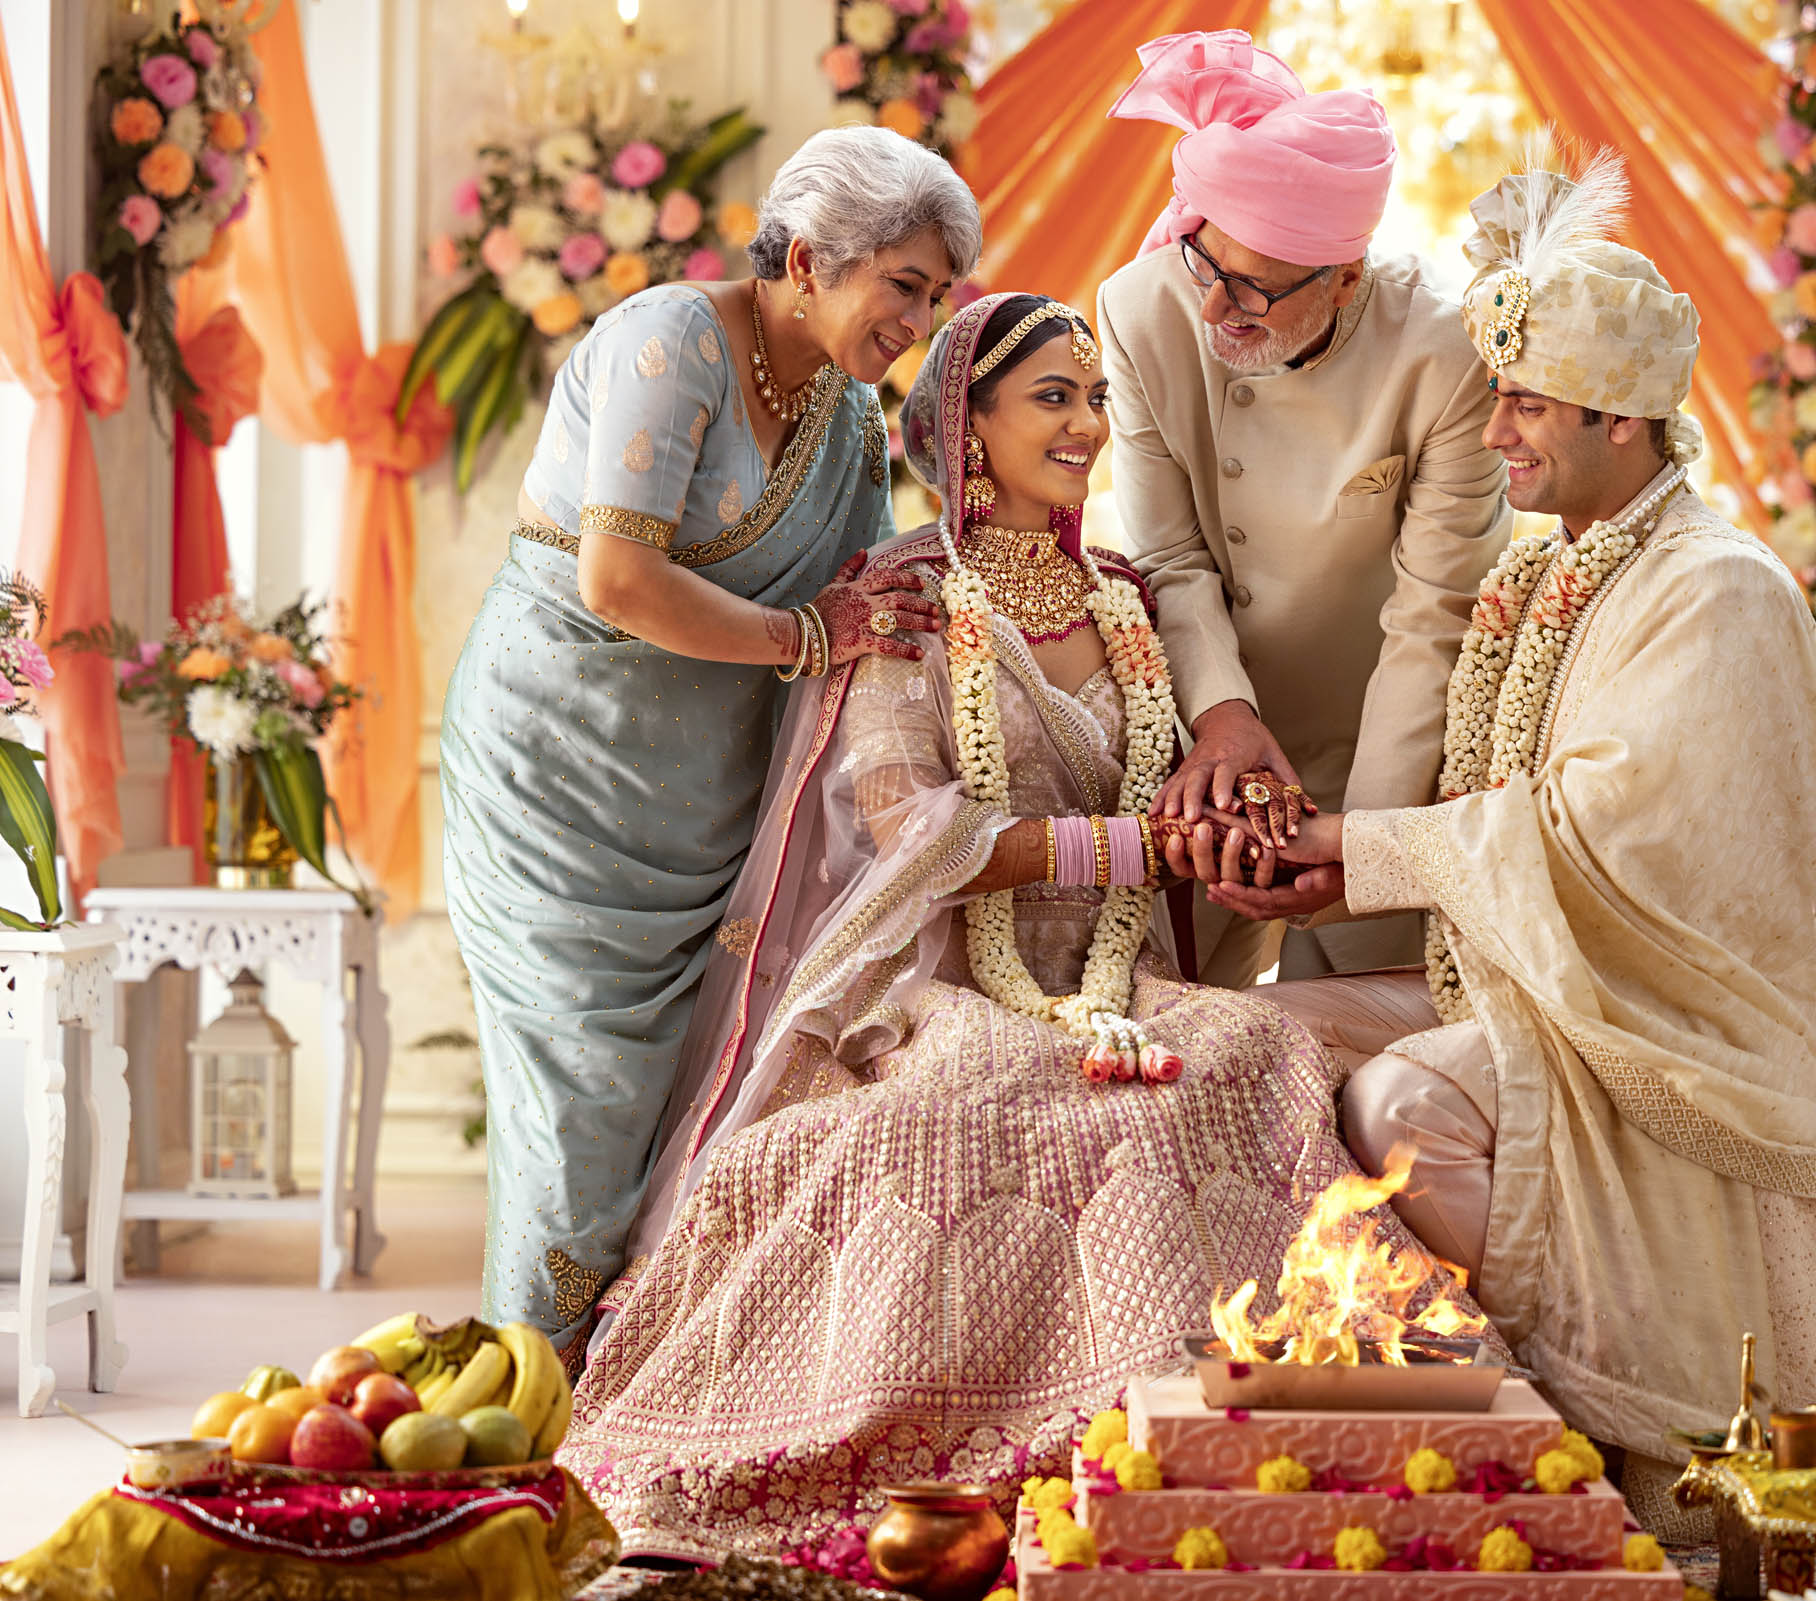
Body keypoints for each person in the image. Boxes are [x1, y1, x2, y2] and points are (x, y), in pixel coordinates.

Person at [558, 294, 1466, 1563]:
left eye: (1097, 398)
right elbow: (905, 826)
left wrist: (1226, 824)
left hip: (1121, 976)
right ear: (965, 426)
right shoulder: (907, 602)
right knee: (981, 1089)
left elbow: (1175, 792)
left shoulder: (1127, 602)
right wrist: (1132, 847)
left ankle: (1261, 1429)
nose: (1090, 423)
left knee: (1250, 1056)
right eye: (1053, 396)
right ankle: (1030, 1447)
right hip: (945, 986)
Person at [1230, 151, 1816, 1531]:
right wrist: (1306, 838)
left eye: (1526, 406)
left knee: (1402, 1106)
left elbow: (1604, 837)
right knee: (1252, 1045)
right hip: (1531, 978)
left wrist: (1369, 851)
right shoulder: (1550, 566)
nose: (1497, 438)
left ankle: (1576, 1439)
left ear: (1619, 418)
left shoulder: (1716, 587)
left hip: (1659, 1021)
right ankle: (1364, 1423)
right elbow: (1496, 798)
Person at [439, 126, 975, 1349]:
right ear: (804, 255)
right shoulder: (668, 339)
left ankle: (639, 1410)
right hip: (562, 779)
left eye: (935, 296)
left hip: (707, 808)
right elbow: (619, 581)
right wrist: (806, 638)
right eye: (904, 284)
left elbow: (871, 604)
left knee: (693, 1094)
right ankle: (532, 1418)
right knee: (580, 1108)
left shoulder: (845, 421)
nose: (918, 319)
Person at [1095, 29, 1511, 986]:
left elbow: (1434, 619)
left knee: (1364, 1083)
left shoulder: (1446, 350)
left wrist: (1357, 849)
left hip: (1391, 755)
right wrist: (1223, 716)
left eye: (1254, 288)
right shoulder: (1142, 310)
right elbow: (1171, 561)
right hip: (1210, 746)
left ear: (1347, 277)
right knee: (1182, 1045)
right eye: (1205, 263)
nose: (1215, 312)